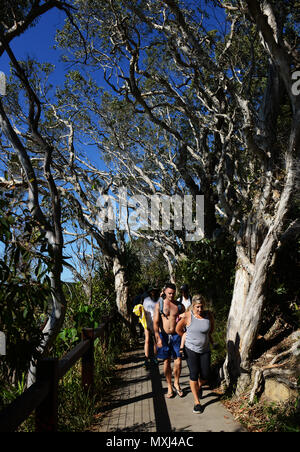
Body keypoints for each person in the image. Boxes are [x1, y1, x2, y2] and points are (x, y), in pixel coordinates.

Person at [176, 294, 214, 414]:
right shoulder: (188, 315)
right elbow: (178, 329)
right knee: (193, 373)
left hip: (205, 350)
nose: (200, 309)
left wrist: (208, 339)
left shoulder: (209, 315)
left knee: (205, 375)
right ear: (193, 306)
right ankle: (197, 402)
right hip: (190, 349)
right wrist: (186, 337)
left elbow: (211, 329)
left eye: (202, 306)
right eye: (197, 307)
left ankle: (198, 385)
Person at [153, 282, 185, 398]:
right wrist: (157, 338)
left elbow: (185, 321)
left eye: (173, 293)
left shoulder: (179, 306)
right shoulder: (159, 305)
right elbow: (155, 323)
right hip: (164, 336)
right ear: (165, 292)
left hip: (176, 335)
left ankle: (177, 383)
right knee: (166, 361)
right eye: (169, 293)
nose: (171, 295)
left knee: (178, 360)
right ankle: (169, 386)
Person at [143, 287, 159, 368]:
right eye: (152, 291)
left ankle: (155, 357)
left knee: (155, 341)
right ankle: (146, 358)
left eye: (154, 291)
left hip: (156, 323)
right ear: (150, 292)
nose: (153, 292)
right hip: (147, 323)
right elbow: (143, 311)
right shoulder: (146, 300)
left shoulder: (158, 300)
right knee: (147, 340)